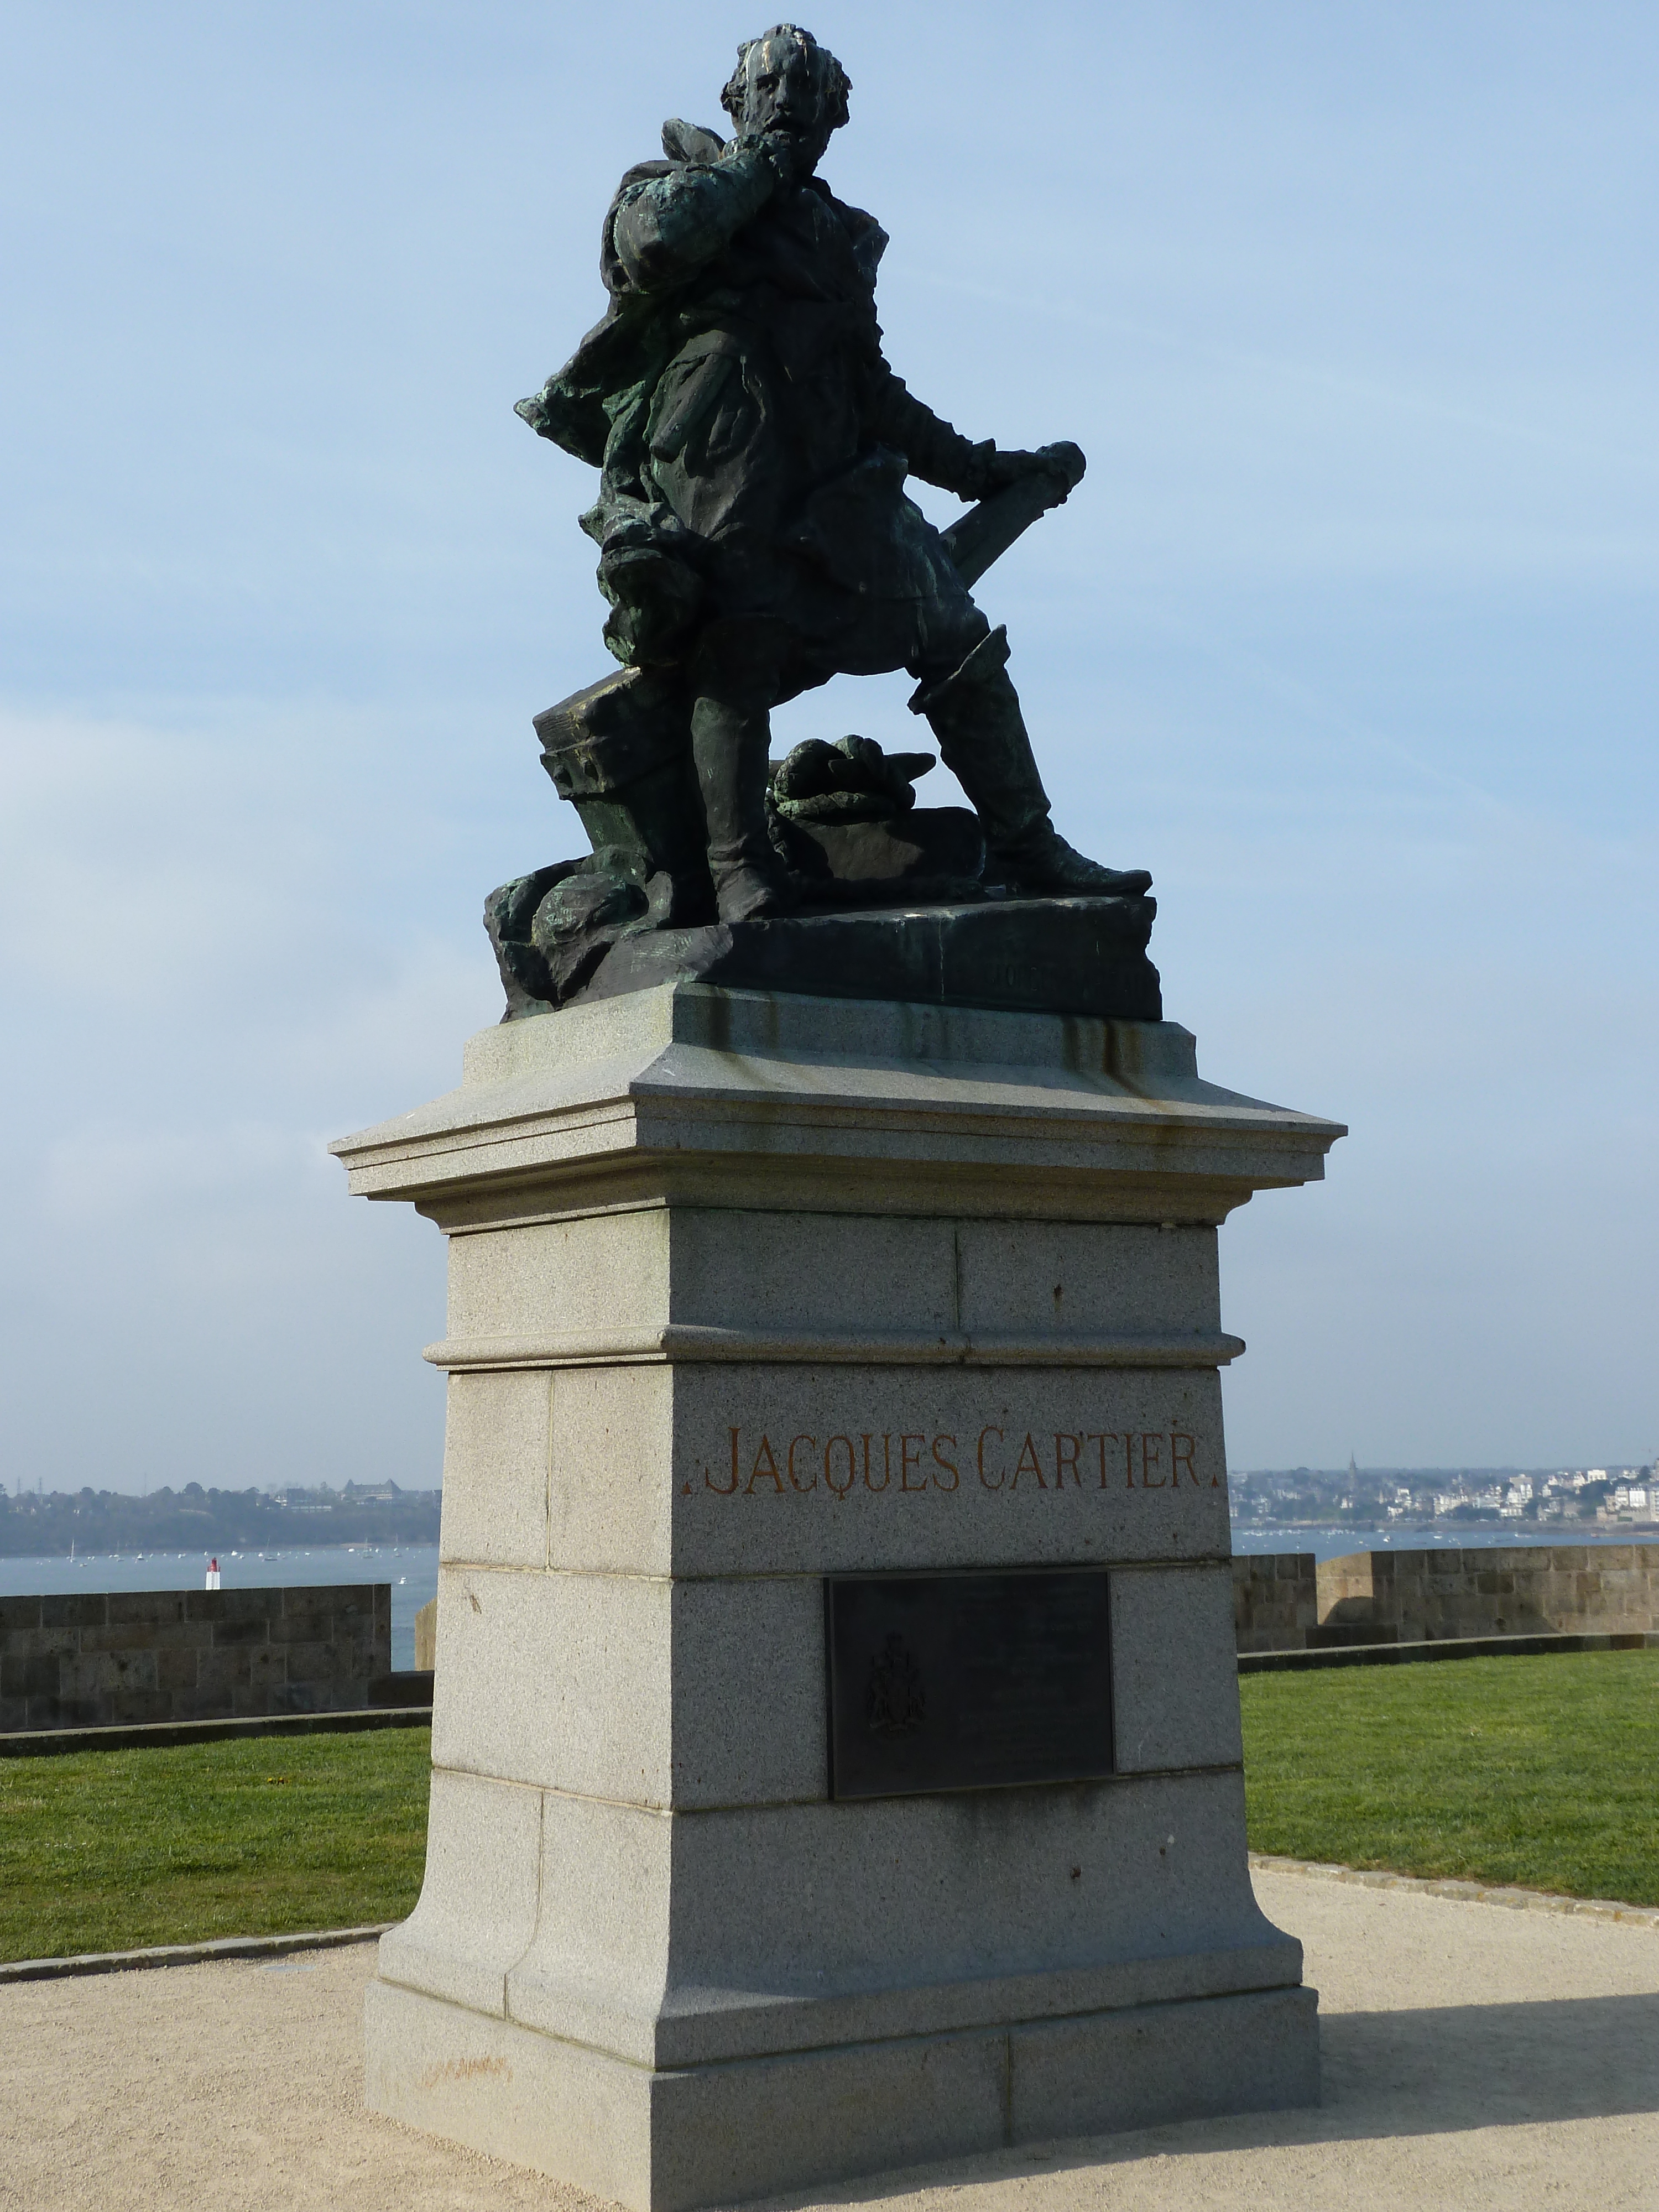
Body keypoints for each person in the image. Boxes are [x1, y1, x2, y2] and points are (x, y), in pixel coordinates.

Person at [518, 23, 1151, 922]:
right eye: (771, 90)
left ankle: (1029, 843)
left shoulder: (837, 235)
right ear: (734, 104)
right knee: (739, 642)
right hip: (719, 454)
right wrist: (763, 169)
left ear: (832, 120)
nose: (789, 107)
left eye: (808, 97)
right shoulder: (665, 189)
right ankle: (739, 871)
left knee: (954, 630)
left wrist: (981, 471)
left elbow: (872, 386)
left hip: (838, 482)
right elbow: (659, 248)